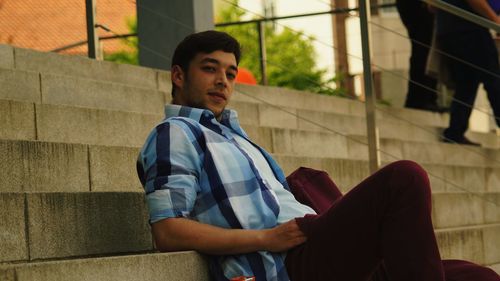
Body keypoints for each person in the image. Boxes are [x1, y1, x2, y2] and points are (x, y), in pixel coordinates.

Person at [136, 30, 499, 281]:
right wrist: (266, 239)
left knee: (479, 276)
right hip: (288, 263)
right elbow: (168, 231)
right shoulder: (175, 134)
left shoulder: (236, 136)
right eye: (210, 68)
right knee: (404, 177)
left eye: (230, 74)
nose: (223, 81)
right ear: (178, 75)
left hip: (318, 242)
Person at [436, 0, 500, 145]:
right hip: (468, 28)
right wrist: (495, 21)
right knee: (493, 80)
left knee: (467, 83)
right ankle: (454, 132)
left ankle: (455, 132)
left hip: (453, 28)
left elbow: (432, 7)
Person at [396, 0, 446, 112]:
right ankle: (419, 100)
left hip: (420, 6)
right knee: (422, 49)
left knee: (426, 50)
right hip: (417, 5)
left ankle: (427, 98)